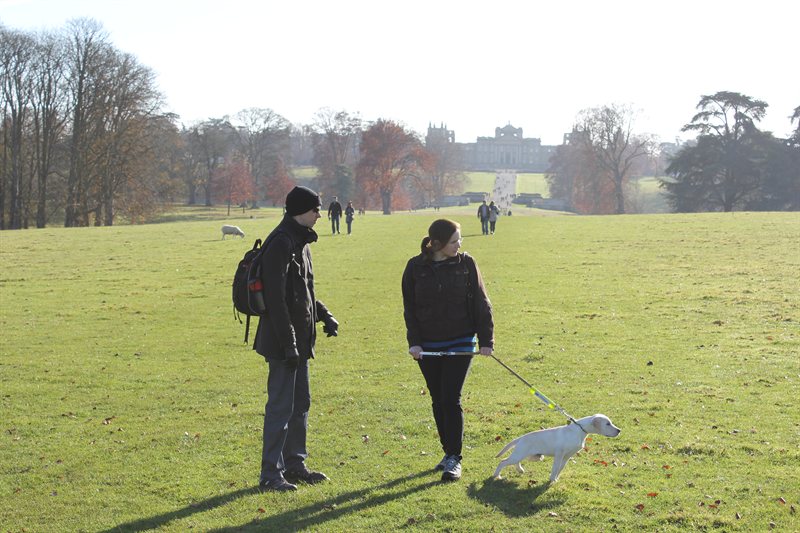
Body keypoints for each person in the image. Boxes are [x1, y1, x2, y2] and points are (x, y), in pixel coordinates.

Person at [254, 185, 340, 492]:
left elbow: (304, 292)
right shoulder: (281, 243)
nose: (320, 214)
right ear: (300, 211)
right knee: (280, 406)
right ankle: (270, 474)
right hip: (282, 342)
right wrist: (289, 343)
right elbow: (276, 301)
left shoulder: (301, 242)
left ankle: (294, 465)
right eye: (316, 209)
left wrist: (325, 314)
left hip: (300, 341)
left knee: (300, 403)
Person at [401, 219, 494, 482]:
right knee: (438, 399)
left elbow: (481, 302)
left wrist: (486, 340)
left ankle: (455, 458)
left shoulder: (466, 264)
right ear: (438, 244)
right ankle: (446, 452)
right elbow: (410, 308)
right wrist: (415, 342)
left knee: (451, 398)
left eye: (460, 240)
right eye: (454, 241)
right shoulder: (415, 267)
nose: (459, 245)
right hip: (427, 345)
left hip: (460, 341)